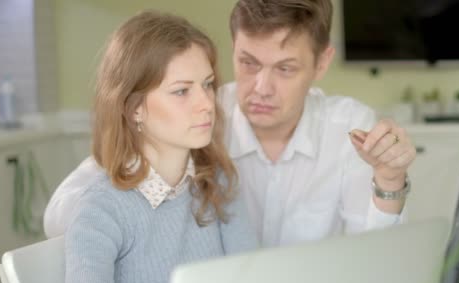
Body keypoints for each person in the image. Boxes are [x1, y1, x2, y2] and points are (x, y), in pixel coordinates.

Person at [45, 0, 417, 247]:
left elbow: (375, 256)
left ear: (322, 63)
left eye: (285, 69)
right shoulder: (196, 116)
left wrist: (388, 181)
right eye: (249, 62)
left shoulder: (349, 127)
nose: (261, 88)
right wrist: (145, 171)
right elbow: (59, 217)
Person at [61, 11, 258, 283]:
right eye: (182, 91)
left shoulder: (219, 182)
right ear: (135, 107)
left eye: (208, 85)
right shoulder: (101, 208)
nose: (206, 104)